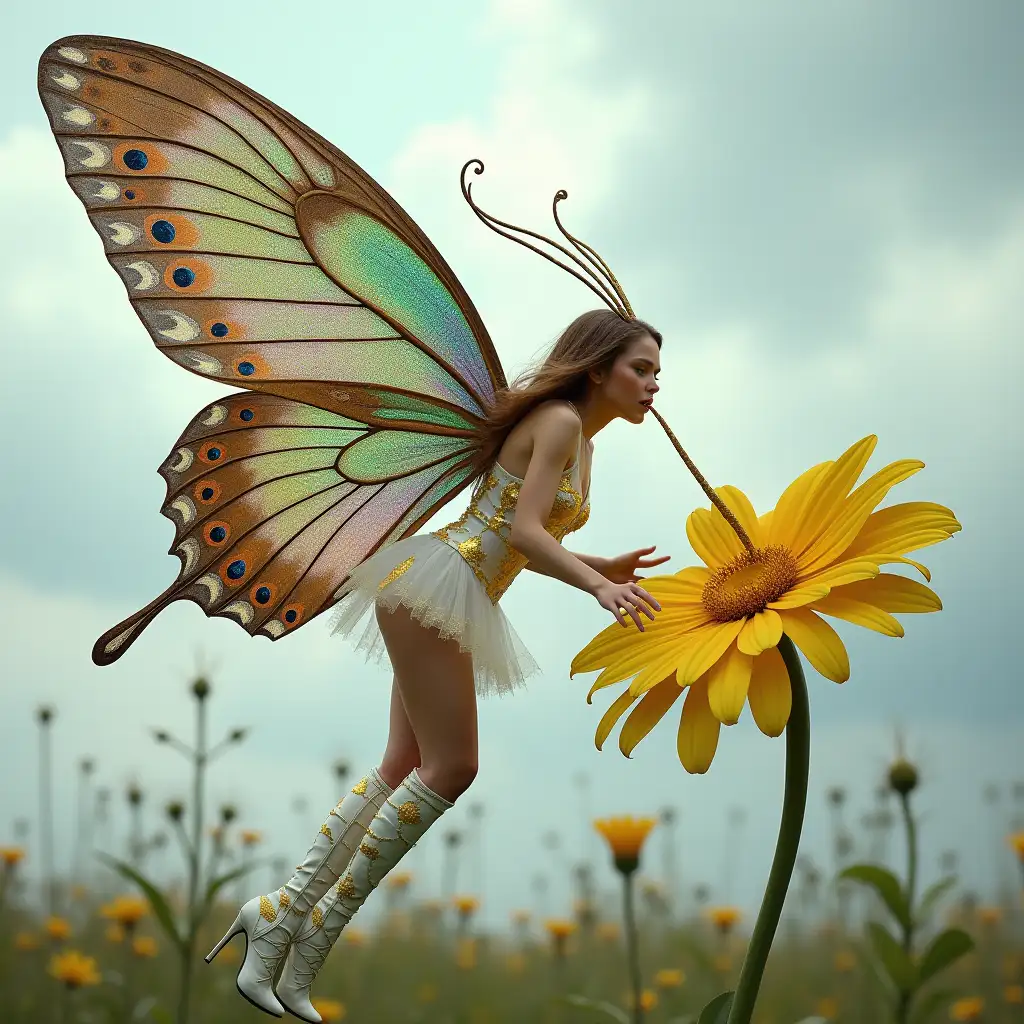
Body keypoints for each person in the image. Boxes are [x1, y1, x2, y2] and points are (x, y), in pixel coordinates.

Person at [207, 309, 668, 1022]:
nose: (652, 384)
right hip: (441, 579)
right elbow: (518, 530)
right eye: (641, 368)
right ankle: (311, 938)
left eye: (657, 373)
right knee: (453, 767)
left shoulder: (583, 446)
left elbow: (522, 537)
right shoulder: (561, 423)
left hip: (453, 587)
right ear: (598, 367)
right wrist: (598, 585)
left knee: (405, 759)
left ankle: (281, 920)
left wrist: (596, 563)